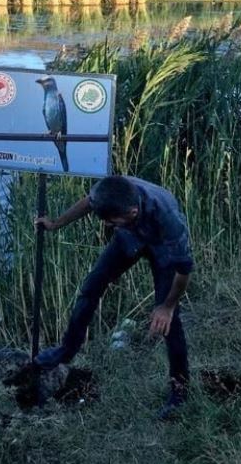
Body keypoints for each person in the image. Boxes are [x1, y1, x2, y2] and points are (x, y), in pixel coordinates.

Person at [34, 174, 193, 420]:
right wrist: (56, 224)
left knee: (169, 323)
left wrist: (167, 306)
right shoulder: (110, 191)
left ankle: (180, 392)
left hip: (162, 247)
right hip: (130, 236)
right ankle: (66, 350)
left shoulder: (168, 218)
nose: (106, 224)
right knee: (90, 287)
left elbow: (184, 271)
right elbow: (89, 202)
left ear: (131, 212)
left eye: (111, 220)